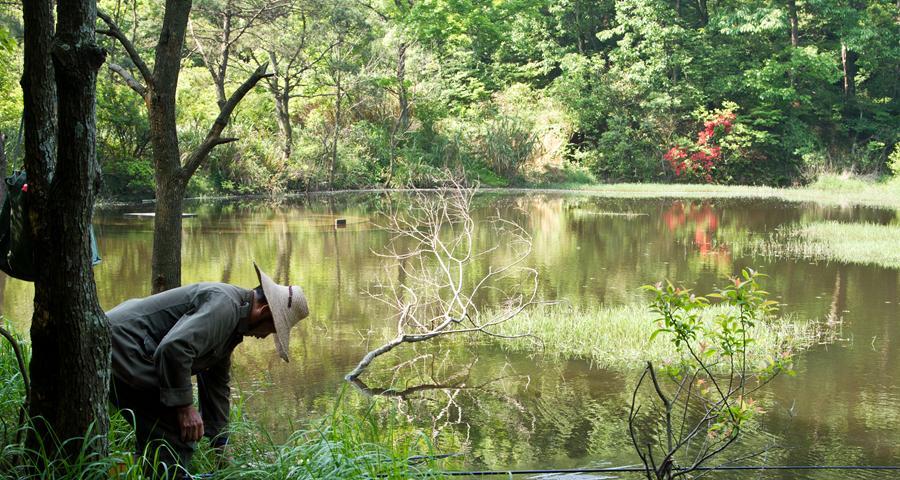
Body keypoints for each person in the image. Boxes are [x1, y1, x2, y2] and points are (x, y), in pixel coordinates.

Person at [107, 263, 309, 478]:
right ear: (264, 311)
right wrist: (185, 408)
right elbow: (174, 349)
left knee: (165, 437)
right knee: (174, 434)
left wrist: (221, 443)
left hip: (130, 350)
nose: (265, 336)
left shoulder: (234, 323)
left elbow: (216, 383)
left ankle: (137, 473)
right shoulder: (225, 306)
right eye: (272, 329)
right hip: (122, 346)